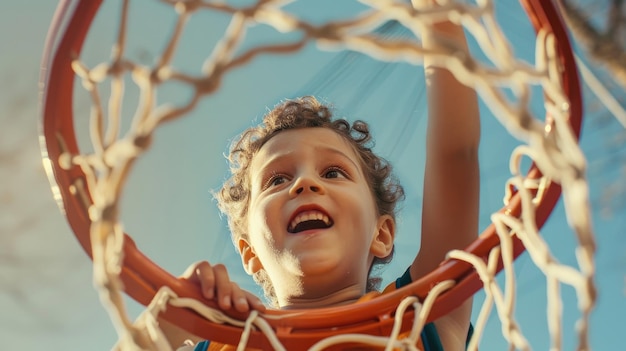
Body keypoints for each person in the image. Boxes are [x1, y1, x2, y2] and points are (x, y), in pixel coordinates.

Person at [162, 1, 480, 350]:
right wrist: (162, 327)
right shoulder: (223, 344)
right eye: (277, 180)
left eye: (333, 172)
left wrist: (441, 22)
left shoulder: (418, 317)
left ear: (383, 233)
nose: (304, 183)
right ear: (249, 251)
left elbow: (455, 155)